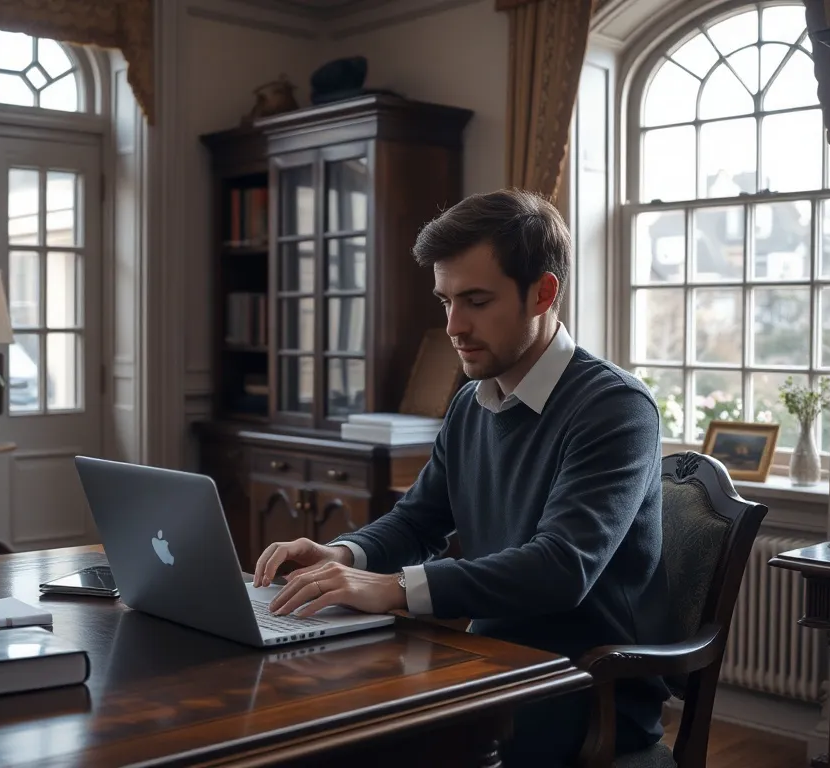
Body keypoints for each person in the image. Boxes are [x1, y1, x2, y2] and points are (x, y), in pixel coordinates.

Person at [253, 188, 671, 766]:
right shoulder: (472, 402)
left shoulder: (615, 408)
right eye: (445, 301)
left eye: (475, 300)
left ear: (543, 293)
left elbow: (561, 567)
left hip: (582, 692)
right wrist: (343, 555)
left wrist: (395, 588)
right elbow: (417, 520)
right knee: (302, 722)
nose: (453, 325)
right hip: (487, 666)